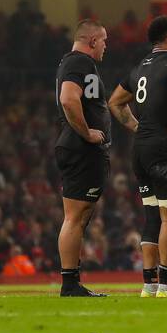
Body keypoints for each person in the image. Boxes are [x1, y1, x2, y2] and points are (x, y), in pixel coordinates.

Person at [107, 15, 167, 298]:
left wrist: (137, 127)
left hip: (141, 150)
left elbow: (114, 102)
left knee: (152, 217)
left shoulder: (139, 67)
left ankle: (149, 285)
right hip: (166, 148)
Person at [54, 19, 111, 297]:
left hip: (79, 149)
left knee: (79, 216)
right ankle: (69, 283)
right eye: (104, 41)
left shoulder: (76, 63)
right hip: (80, 149)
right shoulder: (80, 63)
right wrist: (87, 133)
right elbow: (68, 98)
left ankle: (72, 280)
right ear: (92, 41)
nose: (106, 47)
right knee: (75, 217)